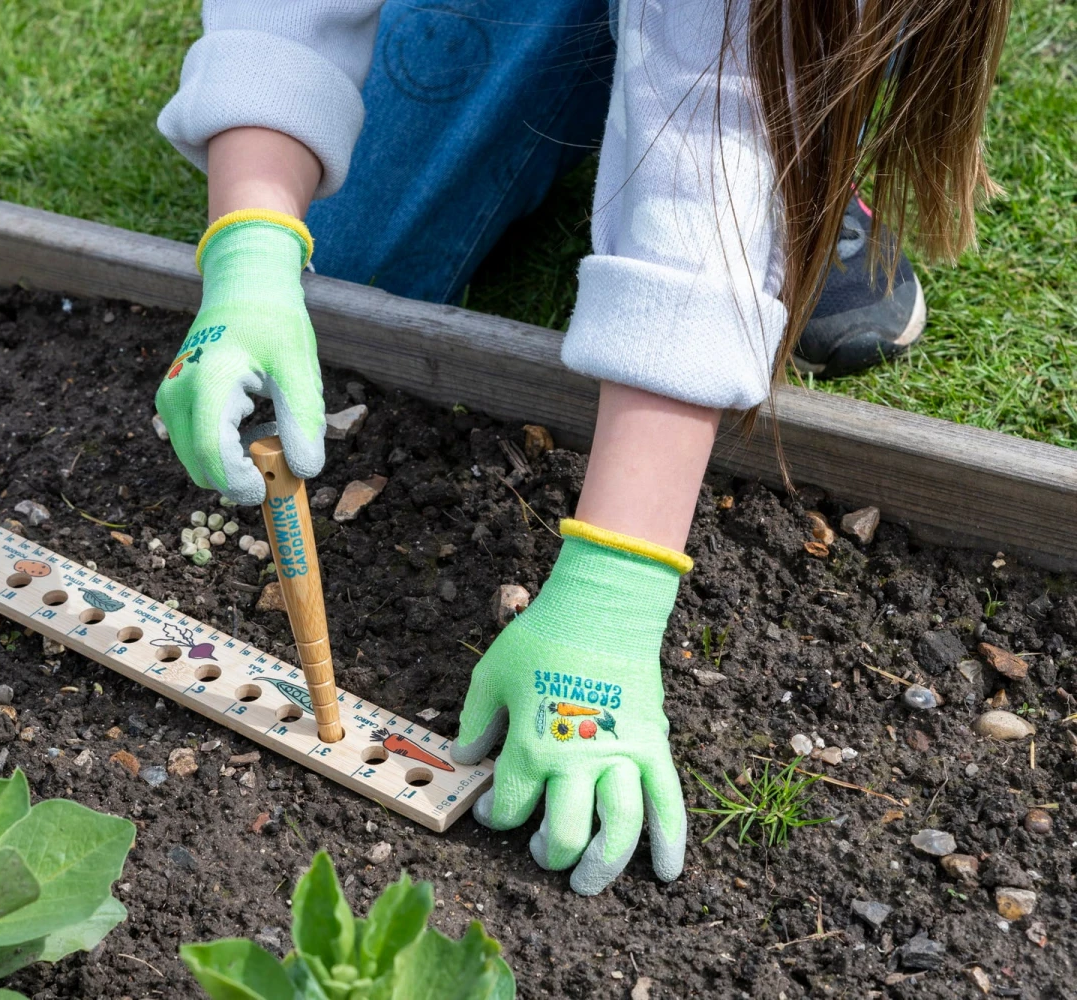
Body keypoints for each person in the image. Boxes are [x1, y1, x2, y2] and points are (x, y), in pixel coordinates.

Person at [153, 0, 1009, 894]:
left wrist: (612, 596)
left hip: (758, 28)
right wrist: (250, 246)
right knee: (358, 250)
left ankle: (806, 166)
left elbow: (709, 110)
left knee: (724, 123)